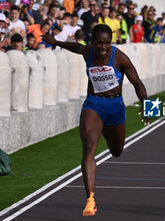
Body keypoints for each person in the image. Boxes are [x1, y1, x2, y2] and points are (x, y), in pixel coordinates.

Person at [42, 24, 149, 216]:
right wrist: (56, 42)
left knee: (116, 151)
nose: (103, 47)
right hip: (94, 105)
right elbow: (76, 47)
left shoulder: (120, 57)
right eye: (99, 43)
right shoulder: (88, 52)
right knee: (89, 146)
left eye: (107, 43)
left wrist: (148, 107)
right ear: (92, 43)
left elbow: (138, 83)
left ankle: (108, 133)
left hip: (115, 107)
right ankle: (90, 200)